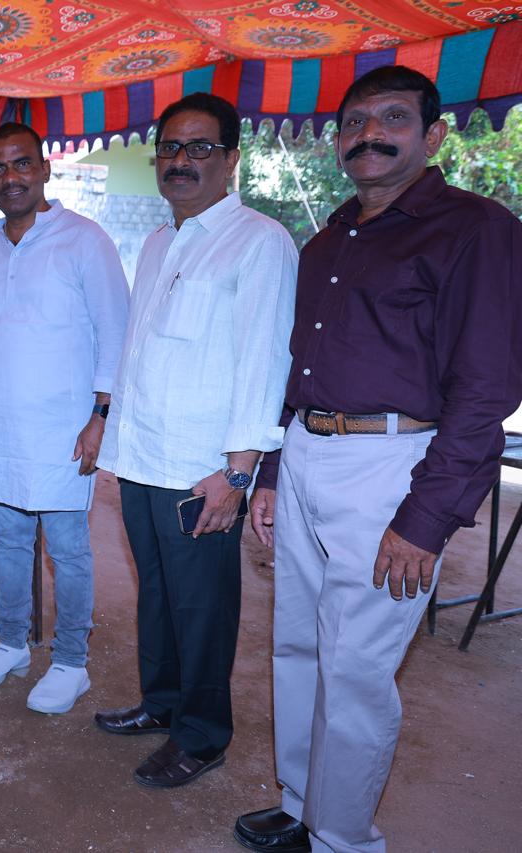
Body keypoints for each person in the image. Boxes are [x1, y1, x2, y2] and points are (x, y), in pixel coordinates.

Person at [233, 65, 522, 853]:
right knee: (297, 644)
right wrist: (272, 472)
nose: (370, 134)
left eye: (393, 118)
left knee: (357, 668)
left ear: (434, 135)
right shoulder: (330, 238)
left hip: (390, 465)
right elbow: (298, 368)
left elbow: (485, 388)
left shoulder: (476, 229)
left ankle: (344, 837)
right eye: (355, 122)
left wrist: (426, 518)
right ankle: (303, 804)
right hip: (306, 450)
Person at [93, 93, 297, 789]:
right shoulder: (158, 241)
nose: (181, 161)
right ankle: (162, 703)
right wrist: (114, 437)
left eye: (200, 148)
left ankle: (203, 735)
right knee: (156, 592)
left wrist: (238, 473)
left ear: (232, 159)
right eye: (171, 148)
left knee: (202, 608)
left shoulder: (260, 241)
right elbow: (137, 353)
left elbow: (265, 362)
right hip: (143, 457)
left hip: (201, 468)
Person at [0, 122, 129, 715]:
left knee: (67, 549)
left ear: (45, 169)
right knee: (11, 543)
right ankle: (12, 643)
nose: (10, 177)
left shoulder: (85, 240)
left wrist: (100, 417)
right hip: (0, 425)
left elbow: (116, 334)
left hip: (64, 429)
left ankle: (71, 662)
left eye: (22, 164)